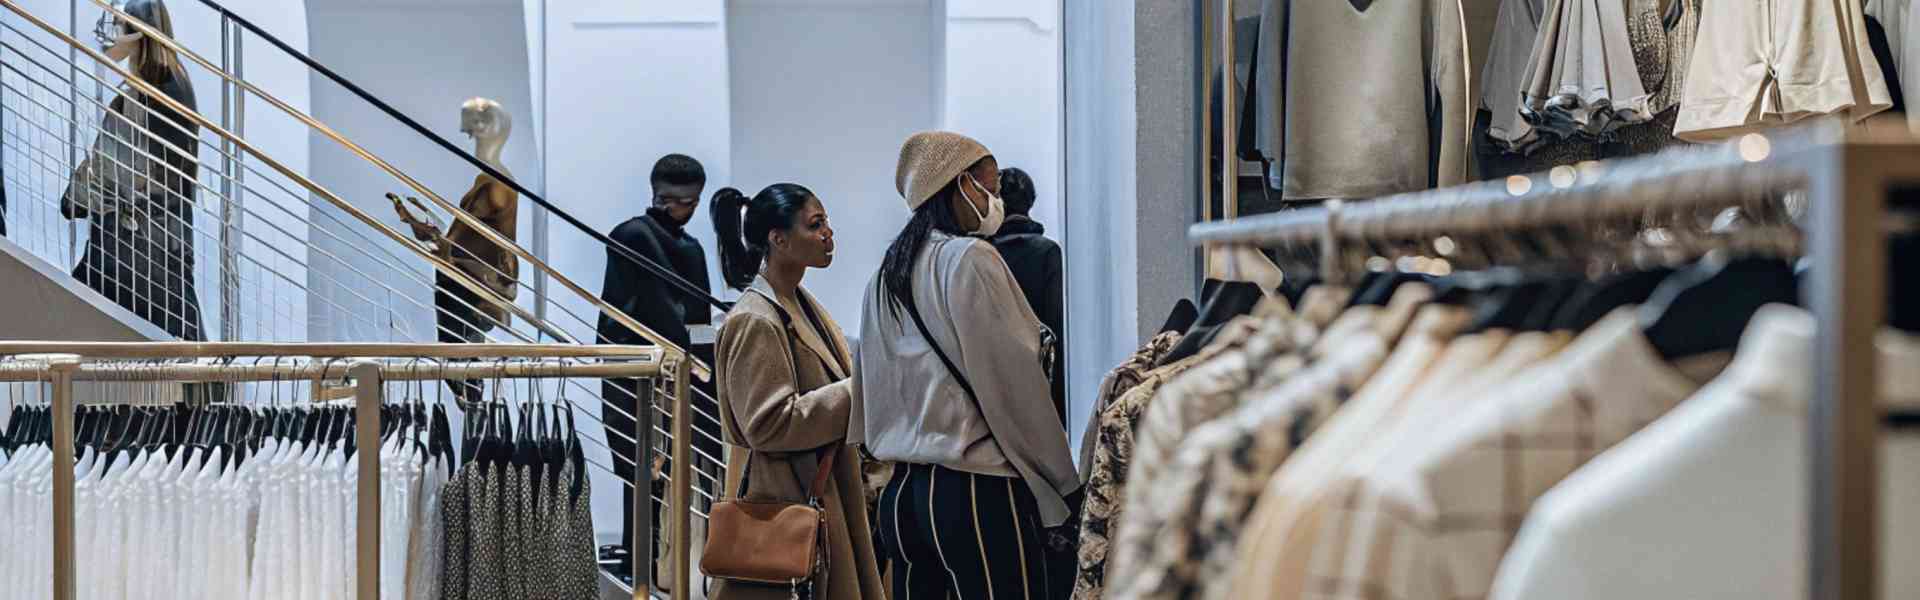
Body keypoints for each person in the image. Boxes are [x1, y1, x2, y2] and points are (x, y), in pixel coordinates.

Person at [853, 131, 1080, 599]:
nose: (995, 201)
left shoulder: (884, 275)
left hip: (903, 497)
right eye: (990, 189)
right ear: (960, 185)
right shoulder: (970, 259)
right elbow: (1014, 386)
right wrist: (1064, 481)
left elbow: (869, 391)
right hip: (976, 492)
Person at [709, 183, 885, 600]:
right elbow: (767, 425)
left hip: (822, 490)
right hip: (786, 500)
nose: (829, 234)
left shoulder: (797, 303)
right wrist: (859, 387)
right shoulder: (755, 319)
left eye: (826, 223)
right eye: (816, 224)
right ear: (779, 239)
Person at [594, 153, 721, 576]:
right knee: (650, 469)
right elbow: (682, 314)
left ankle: (649, 560)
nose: (693, 209)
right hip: (647, 373)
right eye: (691, 201)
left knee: (648, 471)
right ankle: (650, 562)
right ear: (674, 199)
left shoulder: (645, 237)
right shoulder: (647, 239)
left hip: (645, 370)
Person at [63, 0, 203, 342]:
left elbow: (112, 168)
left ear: (139, 32)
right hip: (154, 235)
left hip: (137, 238)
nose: (111, 33)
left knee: (76, 318)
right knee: (173, 338)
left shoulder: (151, 94)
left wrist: (76, 197)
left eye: (119, 24)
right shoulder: (167, 87)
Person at [989, 167, 1067, 426]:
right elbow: (1056, 323)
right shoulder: (1048, 252)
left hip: (993, 375)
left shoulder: (983, 254)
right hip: (1040, 372)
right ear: (1030, 201)